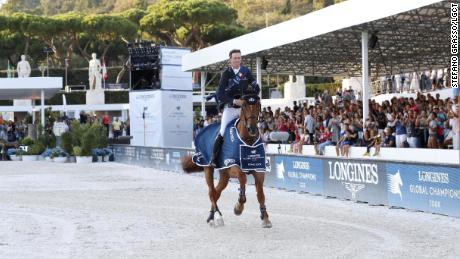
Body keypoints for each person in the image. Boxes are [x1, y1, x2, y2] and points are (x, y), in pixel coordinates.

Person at [209, 49, 260, 167]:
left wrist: (254, 85)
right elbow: (220, 94)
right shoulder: (226, 74)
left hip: (244, 108)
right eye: (235, 58)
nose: (237, 60)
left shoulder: (245, 71)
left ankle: (258, 154)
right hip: (231, 108)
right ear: (230, 60)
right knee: (222, 132)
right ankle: (214, 159)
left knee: (254, 127)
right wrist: (234, 100)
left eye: (239, 58)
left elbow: (256, 89)